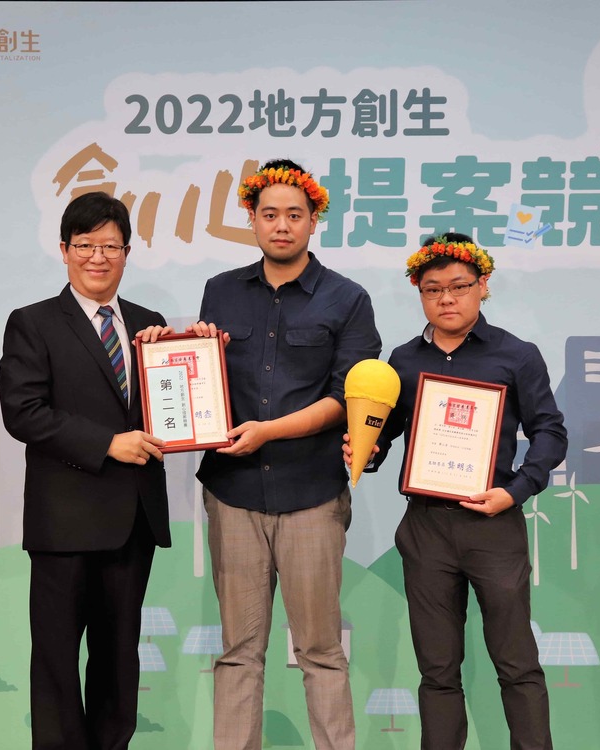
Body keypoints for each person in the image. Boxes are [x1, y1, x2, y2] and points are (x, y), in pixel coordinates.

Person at [176, 158, 380, 749]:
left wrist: (269, 430)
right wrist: (174, 350)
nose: (282, 225)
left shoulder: (347, 298)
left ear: (314, 220)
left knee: (319, 649)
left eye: (295, 214)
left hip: (310, 493)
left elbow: (348, 397)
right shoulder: (221, 290)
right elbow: (206, 377)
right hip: (233, 492)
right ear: (253, 219)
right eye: (270, 214)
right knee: (239, 652)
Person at [344, 233, 567, 750]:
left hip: (493, 523)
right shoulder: (401, 360)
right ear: (419, 293)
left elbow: (550, 432)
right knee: (437, 670)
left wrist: (514, 493)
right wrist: (366, 452)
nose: (447, 298)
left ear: (483, 286)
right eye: (432, 288)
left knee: (517, 664)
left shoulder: (516, 355)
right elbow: (387, 433)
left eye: (459, 286)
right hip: (426, 528)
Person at [0, 191, 171, 750]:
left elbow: (173, 412)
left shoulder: (150, 326)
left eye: (110, 246)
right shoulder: (32, 323)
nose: (98, 257)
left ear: (128, 252)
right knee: (55, 663)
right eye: (86, 245)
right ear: (65, 251)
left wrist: (190, 356)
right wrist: (107, 444)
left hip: (132, 522)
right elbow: (23, 412)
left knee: (120, 663)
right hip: (64, 524)